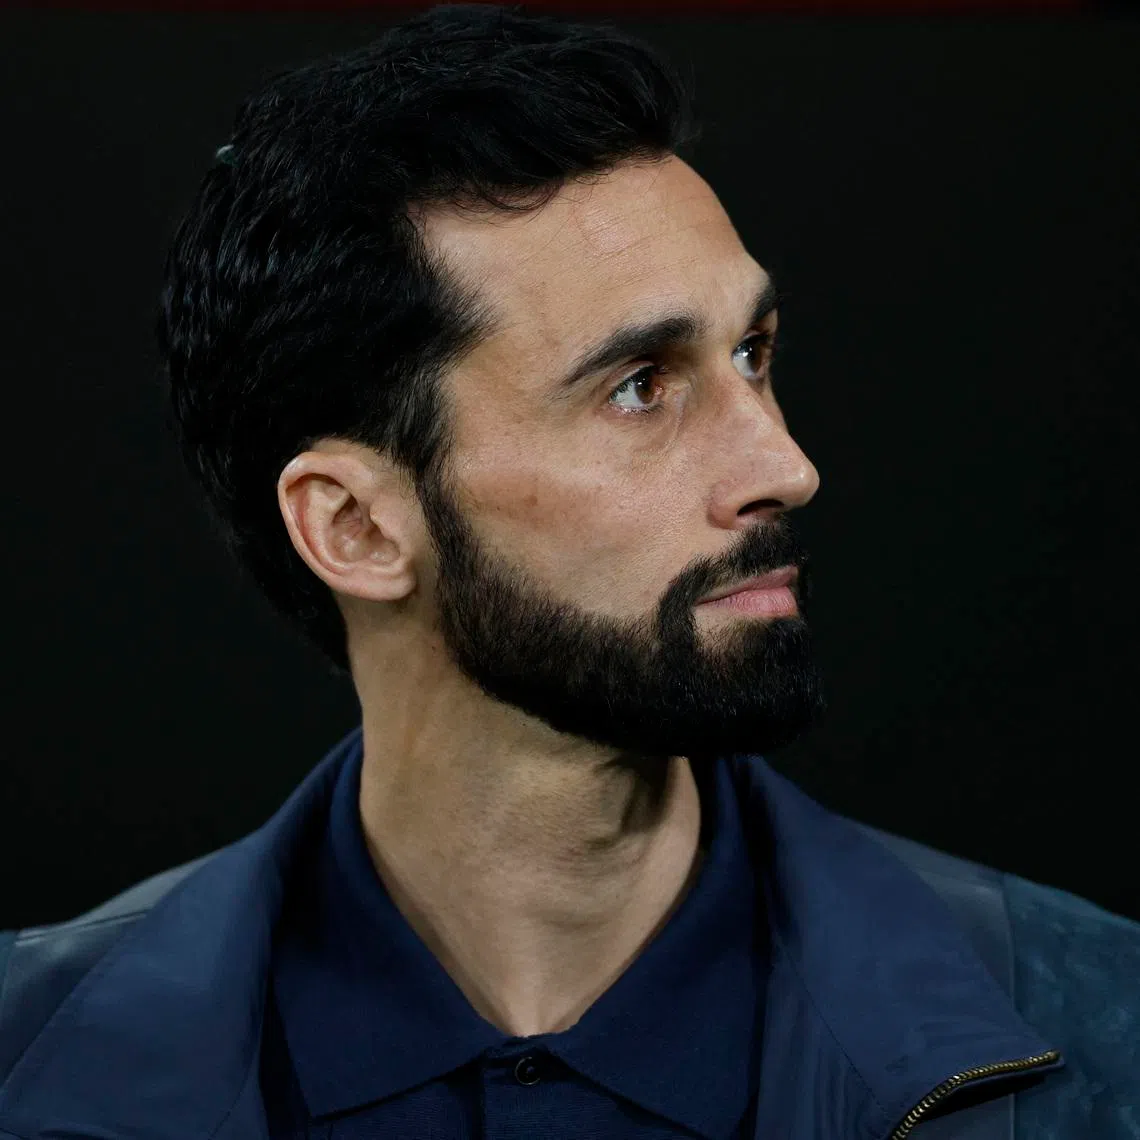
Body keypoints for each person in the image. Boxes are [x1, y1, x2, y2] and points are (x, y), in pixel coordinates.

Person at [1, 5, 1136, 1138]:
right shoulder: (28, 1062)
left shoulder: (1102, 1033)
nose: (785, 467)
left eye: (753, 354)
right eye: (640, 384)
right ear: (355, 528)